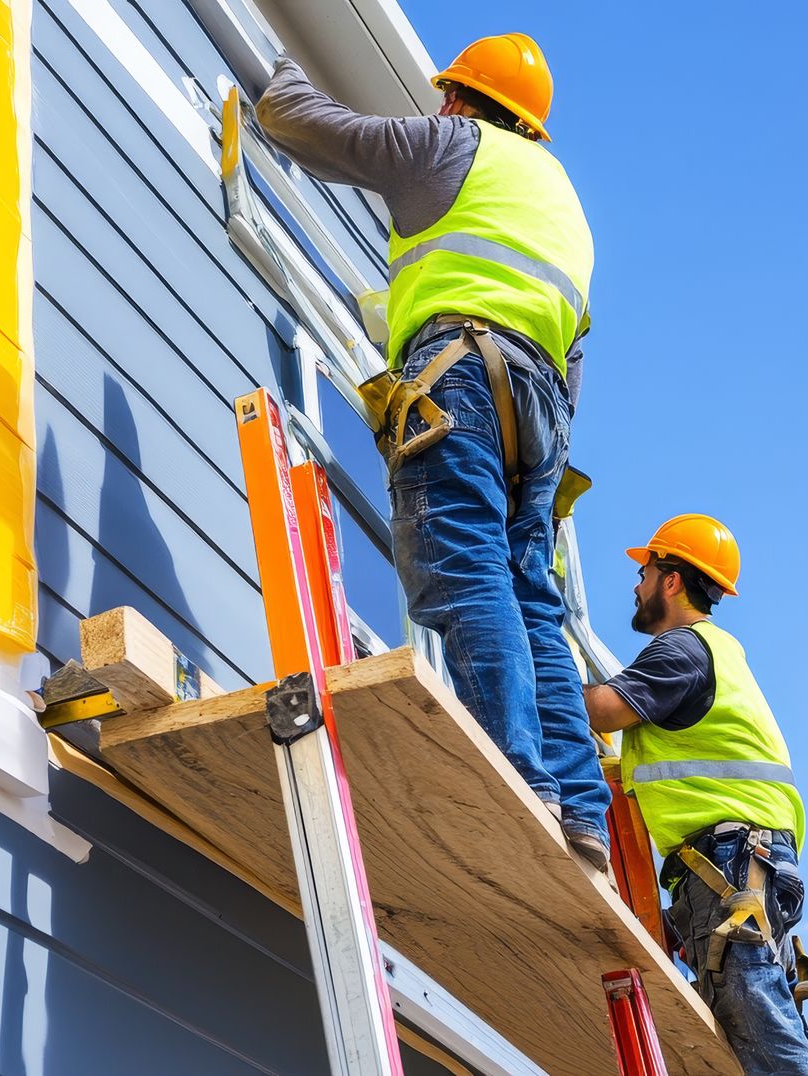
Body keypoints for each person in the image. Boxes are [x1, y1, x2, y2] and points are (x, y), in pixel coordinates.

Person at [257, 35, 610, 869]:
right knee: (534, 602)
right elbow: (576, 357)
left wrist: (287, 53)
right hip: (544, 411)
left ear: (457, 99)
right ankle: (581, 811)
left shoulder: (454, 145)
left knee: (464, 566)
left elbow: (296, 122)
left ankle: (523, 778)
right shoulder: (563, 206)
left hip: (461, 376)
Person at [583, 514, 808, 1074]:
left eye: (644, 571)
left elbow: (605, 709)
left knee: (753, 1009)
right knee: (762, 1023)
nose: (636, 585)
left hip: (733, 860)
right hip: (743, 860)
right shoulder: (716, 652)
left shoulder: (683, 650)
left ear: (671, 580)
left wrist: (536, 677)